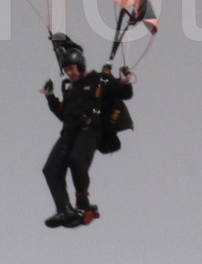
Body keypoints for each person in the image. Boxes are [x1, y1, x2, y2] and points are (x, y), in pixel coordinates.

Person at [39, 34, 134, 227]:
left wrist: (125, 80)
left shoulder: (98, 80)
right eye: (66, 70)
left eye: (71, 69)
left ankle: (83, 204)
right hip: (69, 132)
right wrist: (50, 97)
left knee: (76, 160)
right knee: (50, 169)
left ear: (80, 66)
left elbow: (125, 94)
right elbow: (64, 114)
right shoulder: (71, 89)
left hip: (89, 131)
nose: (69, 74)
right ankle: (64, 210)